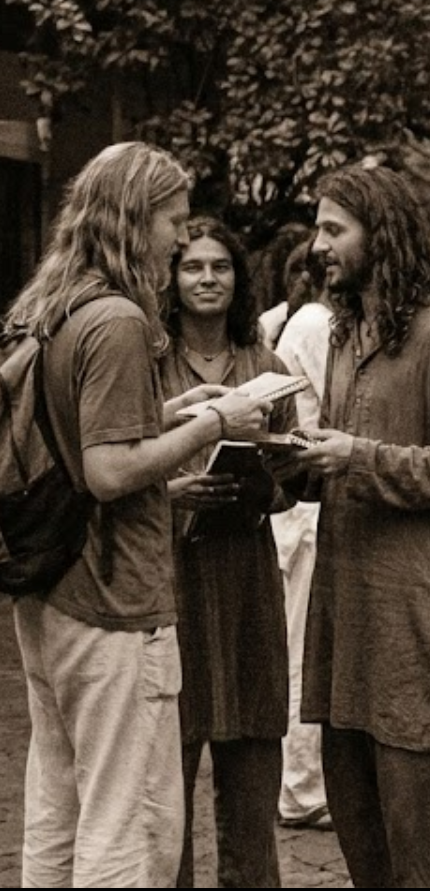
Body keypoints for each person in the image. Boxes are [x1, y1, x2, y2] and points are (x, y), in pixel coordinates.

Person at [7, 142, 269, 887]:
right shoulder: (120, 317)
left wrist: (172, 410)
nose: (178, 240)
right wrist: (219, 423)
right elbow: (109, 469)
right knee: (129, 823)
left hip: (51, 589)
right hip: (114, 598)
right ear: (134, 218)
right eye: (172, 221)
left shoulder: (52, 305)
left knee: (57, 806)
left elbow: (82, 426)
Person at [296, 164, 430, 887]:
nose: (318, 244)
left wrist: (359, 455)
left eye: (333, 229)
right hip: (347, 620)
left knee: (426, 836)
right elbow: (343, 460)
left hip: (414, 624)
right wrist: (294, 458)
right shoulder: (347, 333)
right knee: (360, 825)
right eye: (318, 228)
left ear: (380, 236)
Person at [158, 216, 295, 887]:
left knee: (251, 776)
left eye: (220, 266)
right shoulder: (149, 363)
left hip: (245, 580)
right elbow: (114, 468)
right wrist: (174, 489)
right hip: (170, 581)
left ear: (239, 279)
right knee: (164, 783)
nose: (207, 278)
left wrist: (262, 484)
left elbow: (294, 483)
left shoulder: (265, 365)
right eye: (192, 266)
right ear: (172, 279)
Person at [268, 244, 335, 833]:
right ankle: (302, 787)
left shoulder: (302, 322)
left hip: (305, 509)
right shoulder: (315, 322)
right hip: (305, 511)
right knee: (302, 648)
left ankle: (305, 783)